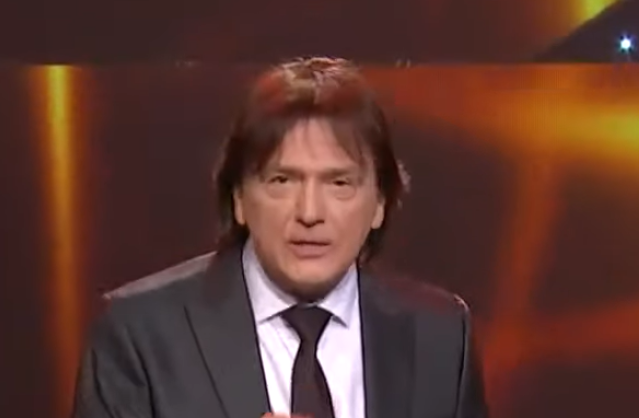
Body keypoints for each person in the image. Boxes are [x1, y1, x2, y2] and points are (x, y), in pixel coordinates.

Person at [72, 57, 488, 418]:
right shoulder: (139, 335)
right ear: (239, 198)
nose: (309, 213)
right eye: (282, 180)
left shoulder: (441, 336)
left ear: (379, 202)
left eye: (339, 183)